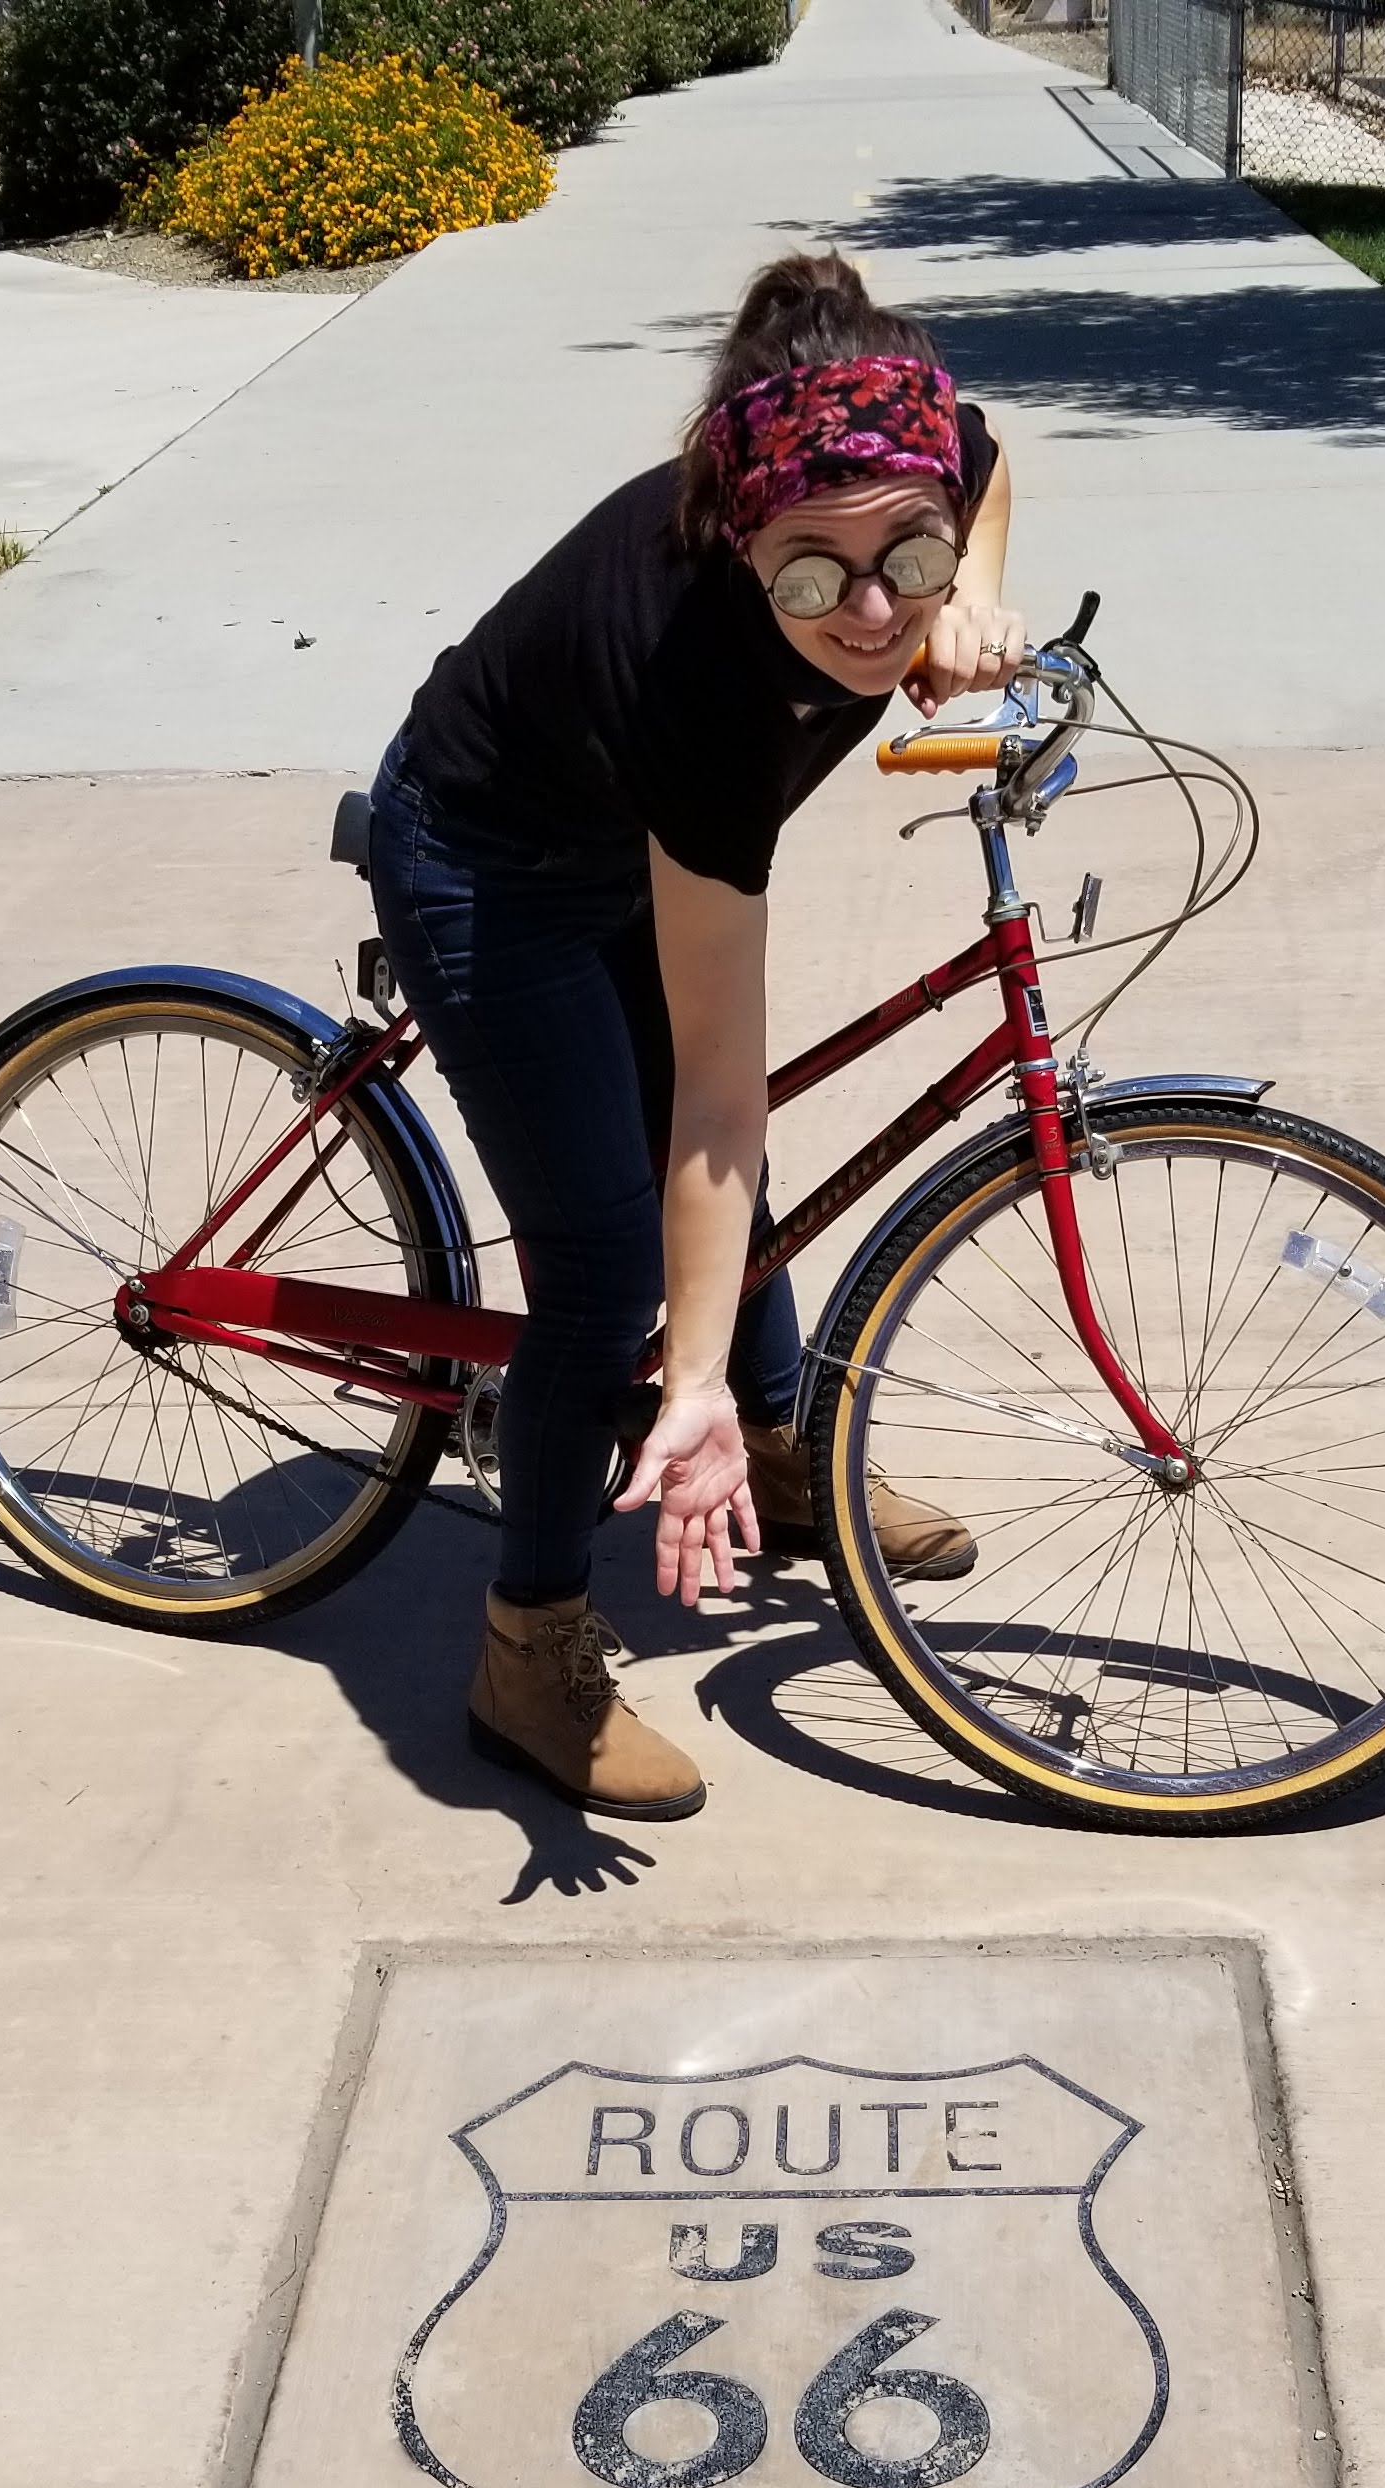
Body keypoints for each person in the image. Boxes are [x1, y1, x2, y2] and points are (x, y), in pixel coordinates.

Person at [365, 252, 1028, 1824]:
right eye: (813, 577)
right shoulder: (707, 693)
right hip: (488, 859)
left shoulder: (912, 459)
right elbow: (721, 1103)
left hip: (625, 826)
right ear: (742, 542)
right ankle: (526, 1646)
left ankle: (787, 1459)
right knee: (611, 1269)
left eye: (908, 555)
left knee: (705, 1183)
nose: (873, 614)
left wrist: (976, 590)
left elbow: (992, 458)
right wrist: (691, 1385)